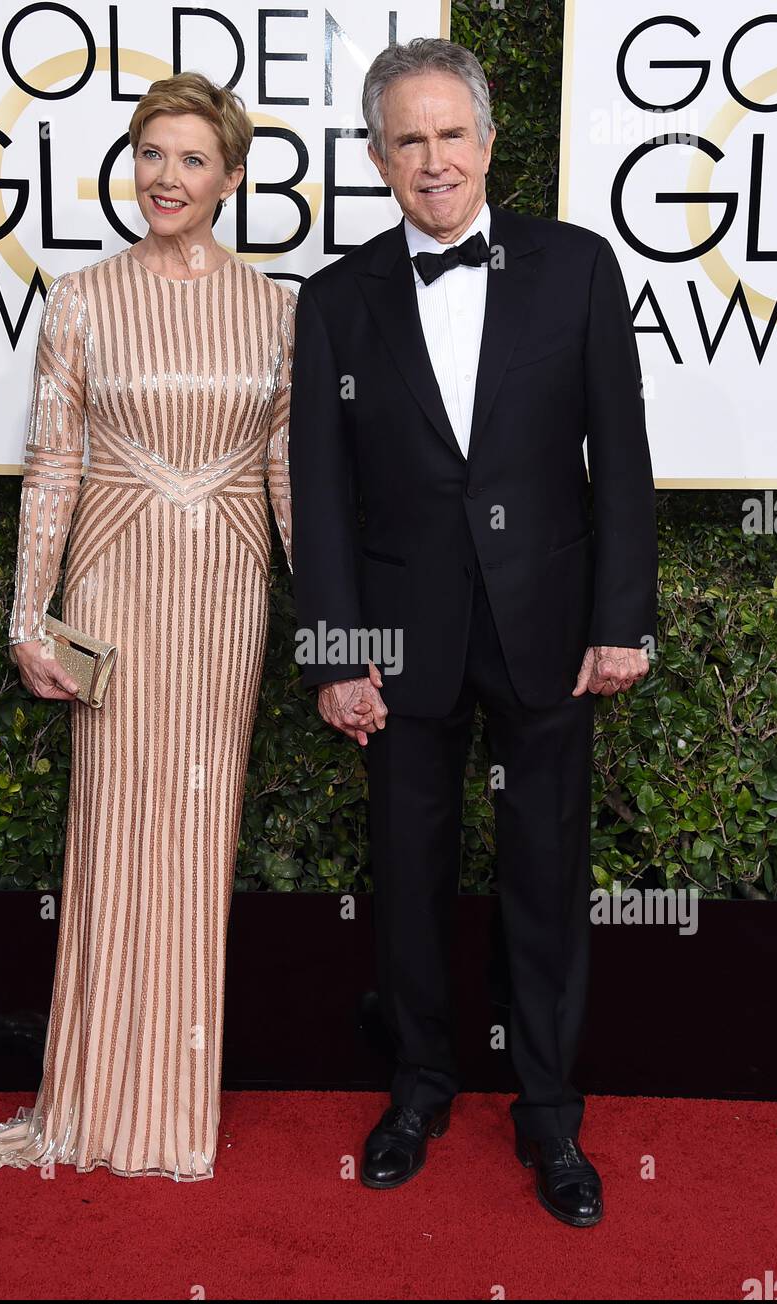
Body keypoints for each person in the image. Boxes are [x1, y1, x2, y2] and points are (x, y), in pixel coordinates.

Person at [287, 37, 657, 1226]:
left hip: (548, 624)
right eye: (409, 139)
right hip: (399, 640)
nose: (434, 159)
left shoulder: (580, 268)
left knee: (547, 876)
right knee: (406, 879)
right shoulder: (337, 300)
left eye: (453, 135)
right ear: (380, 156)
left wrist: (622, 619)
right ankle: (418, 1087)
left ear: (493, 142)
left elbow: (625, 460)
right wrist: (335, 654)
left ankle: (550, 1113)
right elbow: (320, 494)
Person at [0, 72, 296, 1182]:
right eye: (151, 154)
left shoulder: (282, 307)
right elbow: (54, 465)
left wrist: (334, 626)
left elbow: (290, 472)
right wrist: (27, 614)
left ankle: (176, 1105)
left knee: (199, 825)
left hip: (228, 588)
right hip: (116, 586)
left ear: (231, 177)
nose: (167, 177)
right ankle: (94, 1095)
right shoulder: (82, 298)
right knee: (116, 827)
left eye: (192, 159)